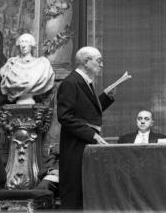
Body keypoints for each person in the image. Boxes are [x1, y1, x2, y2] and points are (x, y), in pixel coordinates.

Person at [57, 46, 117, 210]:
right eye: (98, 61)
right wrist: (92, 135)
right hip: (75, 147)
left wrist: (105, 98)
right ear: (86, 61)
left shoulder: (83, 81)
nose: (102, 65)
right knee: (75, 191)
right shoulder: (71, 82)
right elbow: (65, 117)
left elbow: (85, 111)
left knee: (85, 191)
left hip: (83, 144)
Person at [0, 33, 55, 104]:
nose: (23, 45)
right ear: (19, 45)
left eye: (26, 42)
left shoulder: (42, 64)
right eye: (22, 42)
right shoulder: (10, 64)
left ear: (32, 45)